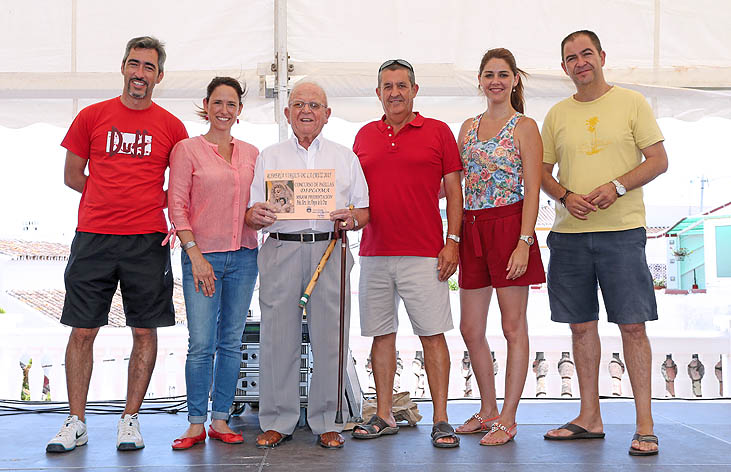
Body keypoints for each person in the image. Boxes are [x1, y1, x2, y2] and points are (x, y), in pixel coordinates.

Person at [46, 36, 188, 453]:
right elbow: (73, 175)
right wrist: (108, 199)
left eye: (148, 66)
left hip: (147, 241)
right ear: (123, 68)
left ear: (159, 76)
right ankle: (76, 422)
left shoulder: (171, 127)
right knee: (83, 330)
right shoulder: (92, 116)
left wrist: (144, 204)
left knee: (144, 330)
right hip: (93, 239)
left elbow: (179, 185)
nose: (139, 73)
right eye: (133, 63)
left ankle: (130, 420)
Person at [541, 30, 668, 456]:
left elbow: (658, 160)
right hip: (569, 236)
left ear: (602, 57)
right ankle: (589, 417)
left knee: (633, 325)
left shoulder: (632, 103)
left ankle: (645, 424)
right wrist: (563, 196)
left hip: (622, 233)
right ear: (564, 67)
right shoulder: (556, 114)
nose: (580, 62)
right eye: (571, 57)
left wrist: (616, 185)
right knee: (580, 327)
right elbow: (540, 172)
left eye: (586, 54)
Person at [245, 81, 369, 450]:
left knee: (331, 340)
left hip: (329, 251)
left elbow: (363, 211)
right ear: (287, 113)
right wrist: (258, 214)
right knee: (277, 339)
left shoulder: (345, 157)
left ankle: (327, 420)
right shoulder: (269, 156)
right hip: (281, 249)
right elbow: (252, 214)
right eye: (298, 104)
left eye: (315, 105)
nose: (306, 111)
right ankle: (278, 420)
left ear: (327, 115)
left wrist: (352, 219)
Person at [352, 59, 463, 448]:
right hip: (374, 252)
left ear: (415, 90)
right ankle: (383, 415)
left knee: (432, 336)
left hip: (425, 253)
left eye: (401, 85)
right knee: (381, 336)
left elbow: (455, 194)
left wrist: (454, 242)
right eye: (387, 86)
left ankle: (443, 419)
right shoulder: (364, 136)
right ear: (378, 92)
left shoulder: (438, 132)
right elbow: (355, 195)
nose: (394, 92)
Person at [453, 48, 545, 445]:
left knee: (512, 326)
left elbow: (533, 190)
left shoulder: (524, 126)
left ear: (514, 80)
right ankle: (488, 408)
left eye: (503, 74)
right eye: (489, 74)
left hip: (510, 227)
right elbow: (454, 185)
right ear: (479, 80)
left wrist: (524, 242)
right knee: (470, 327)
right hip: (472, 228)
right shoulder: (467, 126)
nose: (495, 80)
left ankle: (509, 416)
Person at [167, 77, 259, 450]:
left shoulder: (253, 153)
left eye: (231, 104)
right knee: (201, 343)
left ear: (239, 110)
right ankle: (194, 422)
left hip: (245, 256)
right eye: (218, 102)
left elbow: (258, 204)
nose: (224, 110)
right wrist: (195, 255)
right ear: (206, 105)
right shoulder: (187, 150)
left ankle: (221, 418)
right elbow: (177, 206)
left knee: (232, 342)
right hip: (200, 256)